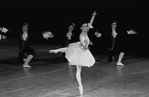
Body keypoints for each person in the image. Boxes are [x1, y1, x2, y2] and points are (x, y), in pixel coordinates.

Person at [49, 11, 97, 95]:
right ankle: (80, 85)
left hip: (83, 50)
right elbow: (83, 44)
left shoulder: (87, 31)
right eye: (84, 26)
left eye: (86, 26)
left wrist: (93, 16)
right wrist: (87, 45)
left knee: (68, 49)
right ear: (81, 28)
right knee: (77, 67)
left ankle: (57, 50)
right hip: (80, 51)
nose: (86, 27)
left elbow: (90, 23)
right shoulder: (81, 35)